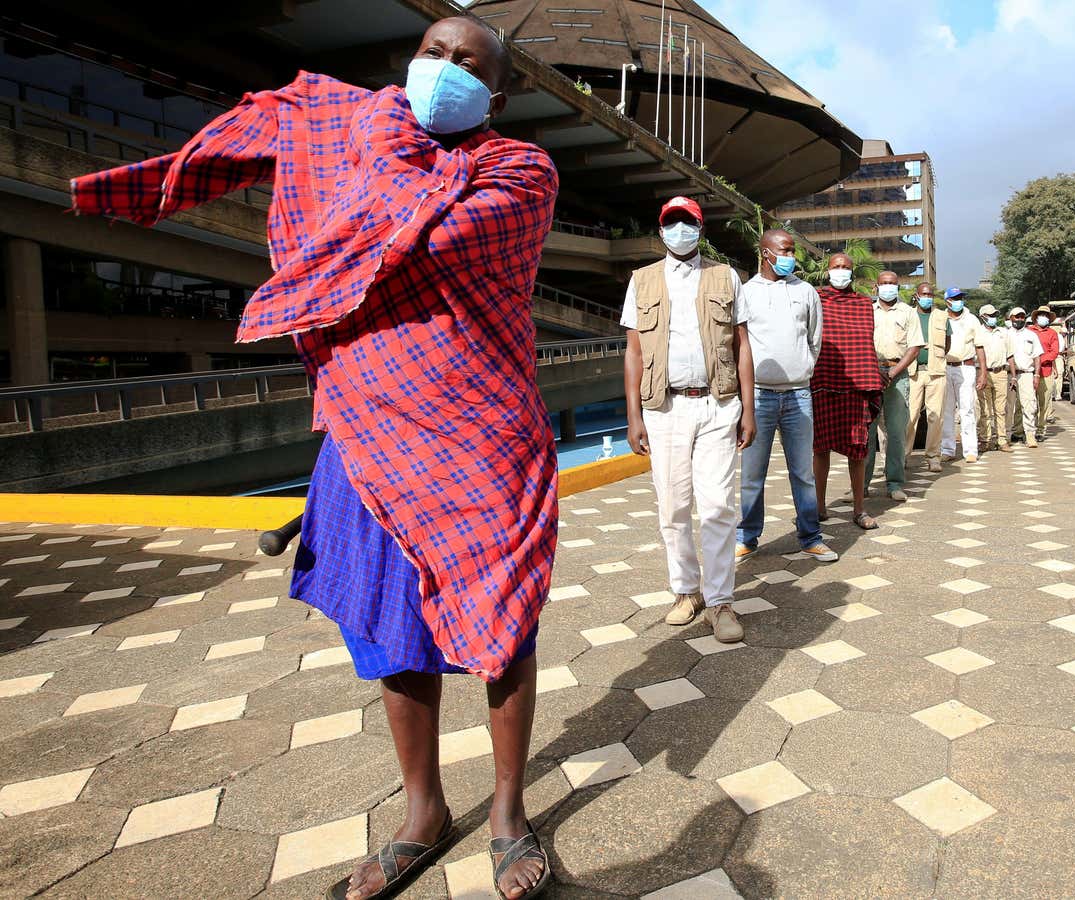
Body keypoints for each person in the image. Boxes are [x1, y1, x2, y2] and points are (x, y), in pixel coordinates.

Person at [74, 18, 559, 899]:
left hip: (478, 431)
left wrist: (362, 136)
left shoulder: (518, 171)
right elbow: (286, 155)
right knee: (385, 624)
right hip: (363, 432)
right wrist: (355, 134)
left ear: (498, 96)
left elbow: (403, 247)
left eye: (468, 65)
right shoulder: (350, 137)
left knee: (502, 619)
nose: (443, 71)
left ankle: (508, 812)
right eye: (432, 54)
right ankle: (423, 812)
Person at [623, 196, 757, 643]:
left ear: (700, 229)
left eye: (688, 222)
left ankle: (720, 601)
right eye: (672, 222)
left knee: (718, 506)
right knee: (673, 506)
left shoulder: (724, 276)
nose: (680, 229)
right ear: (661, 230)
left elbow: (741, 345)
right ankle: (686, 592)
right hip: (663, 408)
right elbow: (634, 352)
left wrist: (749, 410)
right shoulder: (641, 281)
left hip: (718, 405)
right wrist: (633, 416)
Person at [736, 229, 836, 562]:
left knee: (802, 472)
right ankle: (747, 537)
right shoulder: (746, 292)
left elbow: (814, 339)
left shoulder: (806, 291)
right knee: (752, 473)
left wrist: (803, 366)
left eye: (793, 250)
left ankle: (810, 536)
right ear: (766, 253)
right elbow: (740, 344)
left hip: (798, 395)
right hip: (759, 397)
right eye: (786, 250)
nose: (792, 256)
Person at [812, 254, 885, 530]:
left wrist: (871, 373)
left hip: (857, 384)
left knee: (858, 450)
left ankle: (859, 509)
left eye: (845, 268)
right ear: (828, 270)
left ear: (852, 272)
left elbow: (864, 341)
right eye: (836, 267)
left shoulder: (863, 304)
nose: (841, 271)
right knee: (821, 449)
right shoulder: (816, 298)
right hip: (822, 380)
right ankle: (819, 507)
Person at [866, 271, 922, 501]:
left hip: (897, 375)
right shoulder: (867, 311)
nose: (889, 287)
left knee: (897, 432)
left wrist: (892, 372)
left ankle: (895, 483)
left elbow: (915, 347)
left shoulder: (908, 313)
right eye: (884, 283)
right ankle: (861, 485)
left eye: (893, 283)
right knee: (866, 433)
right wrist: (875, 371)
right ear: (876, 287)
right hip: (869, 374)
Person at [904, 282, 951, 472]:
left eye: (930, 295)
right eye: (924, 294)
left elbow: (947, 343)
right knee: (910, 415)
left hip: (936, 371)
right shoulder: (908, 314)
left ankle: (933, 456)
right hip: (913, 372)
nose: (927, 297)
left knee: (936, 416)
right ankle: (903, 455)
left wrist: (935, 356)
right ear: (916, 295)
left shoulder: (941, 316)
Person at [939, 287, 986, 463]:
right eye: (955, 298)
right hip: (946, 367)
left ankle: (970, 450)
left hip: (966, 367)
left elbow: (980, 346)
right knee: (948, 410)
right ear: (947, 301)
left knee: (967, 409)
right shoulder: (941, 318)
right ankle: (948, 449)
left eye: (960, 297)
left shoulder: (971, 319)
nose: (959, 301)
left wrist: (983, 372)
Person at [974, 304, 1014, 452]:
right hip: (983, 373)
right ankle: (985, 439)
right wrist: (980, 375)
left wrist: (1013, 376)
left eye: (995, 315)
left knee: (1001, 408)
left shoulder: (1003, 332)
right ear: (982, 316)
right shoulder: (977, 333)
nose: (993, 318)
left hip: (1001, 372)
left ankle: (1002, 439)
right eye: (990, 315)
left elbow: (1010, 355)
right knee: (984, 408)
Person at [1007, 306, 1045, 448]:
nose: (1020, 319)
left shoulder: (1031, 335)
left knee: (1029, 404)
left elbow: (1037, 357)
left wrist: (1036, 374)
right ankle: (1008, 434)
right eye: (1017, 317)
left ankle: (1030, 434)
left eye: (1022, 317)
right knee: (1008, 406)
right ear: (1011, 318)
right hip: (1008, 375)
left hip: (1027, 374)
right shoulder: (1005, 334)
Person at [1030, 306, 1062, 440]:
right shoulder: (1029, 331)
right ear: (1036, 317)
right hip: (1029, 372)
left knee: (1043, 403)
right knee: (1028, 403)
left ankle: (1040, 430)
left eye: (1046, 315)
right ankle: (1024, 430)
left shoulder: (1052, 333)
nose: (1044, 317)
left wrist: (1040, 360)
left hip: (1046, 371)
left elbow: (1054, 352)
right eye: (1041, 314)